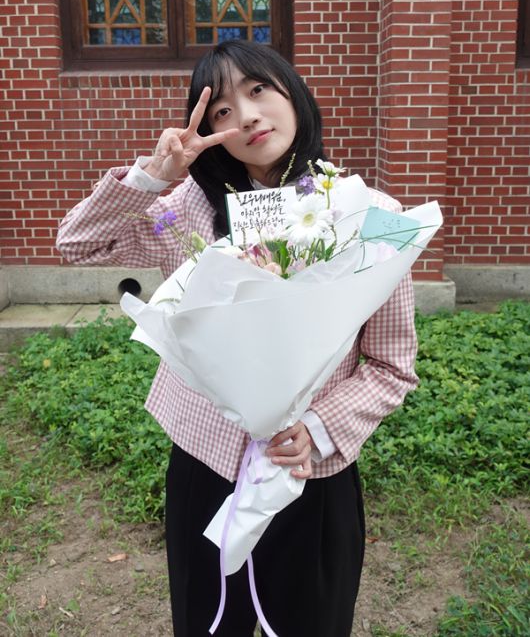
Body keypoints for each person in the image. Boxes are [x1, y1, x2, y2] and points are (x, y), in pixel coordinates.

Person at [56, 39, 418, 637]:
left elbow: (391, 365)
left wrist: (318, 429)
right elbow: (77, 244)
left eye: (258, 91)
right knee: (205, 621)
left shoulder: (371, 217)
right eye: (222, 109)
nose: (246, 116)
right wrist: (153, 176)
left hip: (311, 477)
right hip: (206, 465)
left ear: (293, 94)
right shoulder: (190, 210)